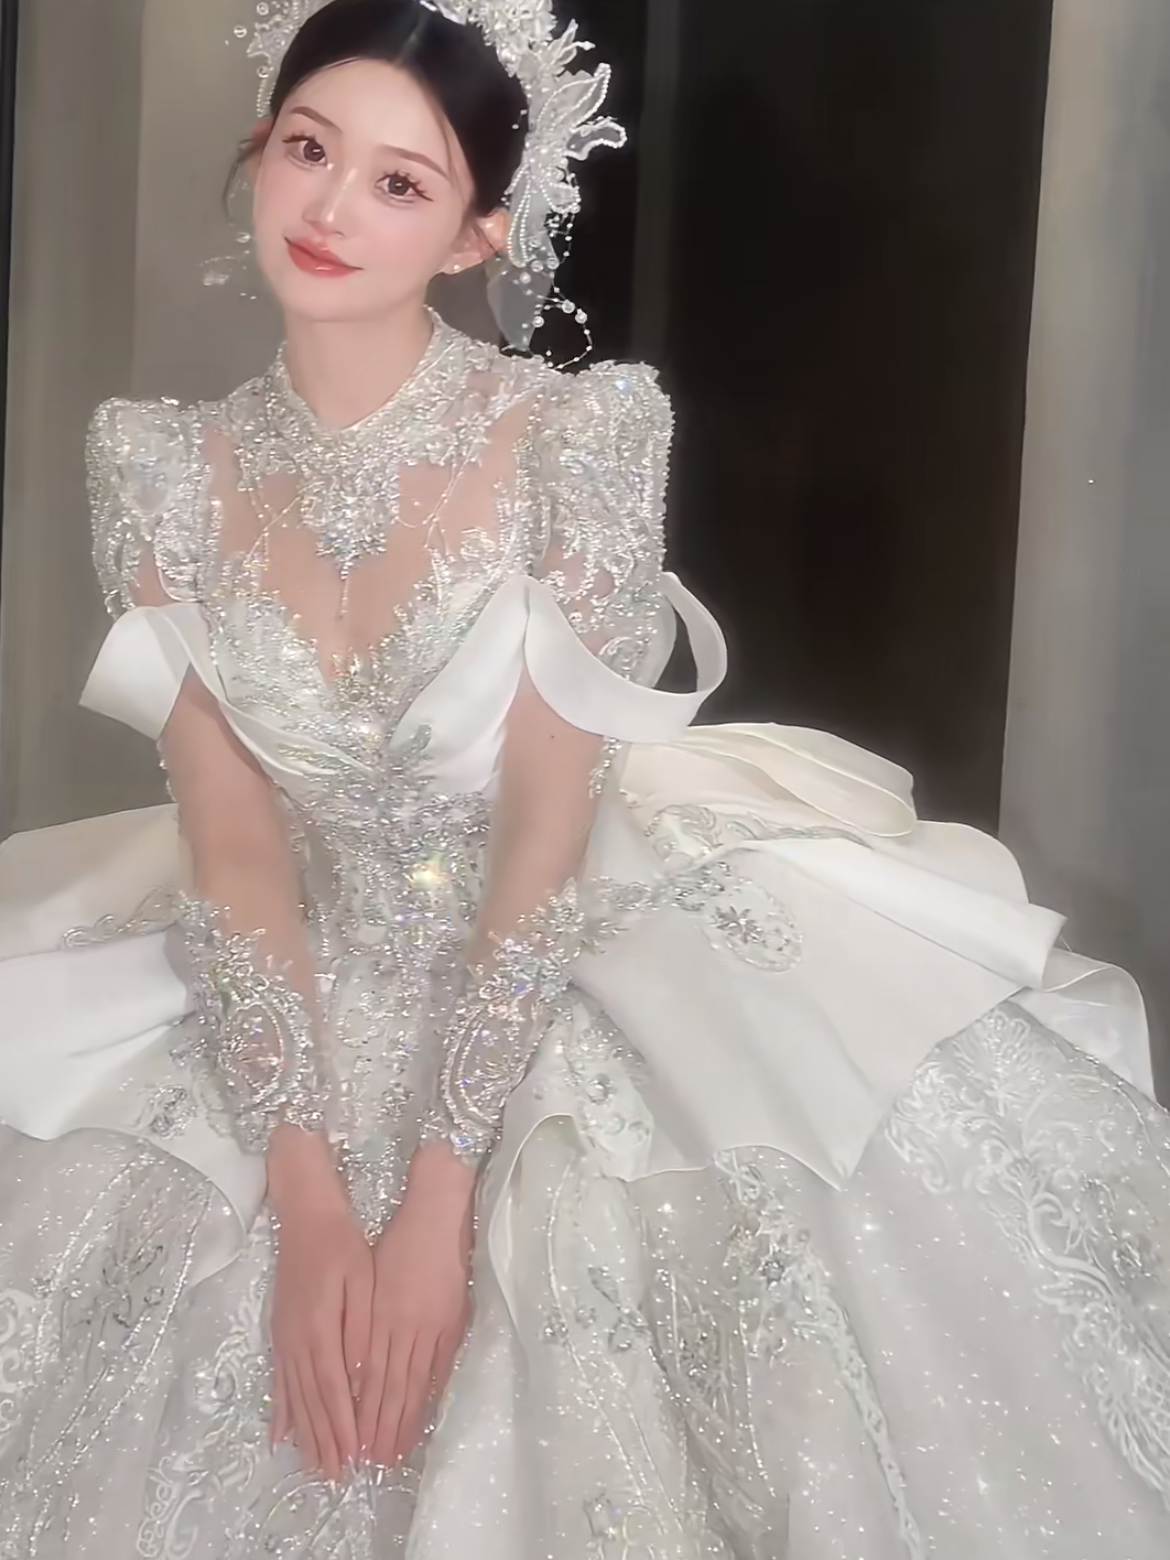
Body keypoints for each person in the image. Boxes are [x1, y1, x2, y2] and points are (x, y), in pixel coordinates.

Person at [0, 1, 1167, 1555]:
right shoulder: (154, 464)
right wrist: (309, 1196)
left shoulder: (578, 436)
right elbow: (233, 845)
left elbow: (547, 835)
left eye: (401, 183)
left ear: (478, 232)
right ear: (260, 154)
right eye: (307, 149)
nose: (331, 208)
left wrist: (435, 1204)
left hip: (556, 933)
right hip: (294, 951)